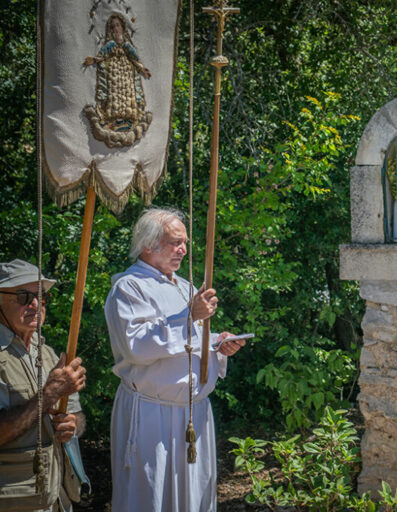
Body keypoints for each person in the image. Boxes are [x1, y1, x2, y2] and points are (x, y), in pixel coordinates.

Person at [105, 208, 245, 512]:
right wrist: (189, 317)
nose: (183, 250)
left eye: (185, 243)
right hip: (151, 414)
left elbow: (190, 340)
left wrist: (218, 345)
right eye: (175, 242)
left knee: (194, 498)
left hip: (194, 412)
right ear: (148, 244)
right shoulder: (129, 288)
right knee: (149, 496)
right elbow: (137, 347)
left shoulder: (186, 287)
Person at [0, 259, 87, 512]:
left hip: (56, 497)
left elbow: (77, 417)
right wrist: (49, 395)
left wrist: (72, 425)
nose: (35, 304)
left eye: (41, 296)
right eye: (24, 296)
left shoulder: (48, 353)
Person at [82, 13, 152, 147]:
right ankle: (115, 120)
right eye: (113, 26)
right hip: (113, 72)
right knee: (115, 96)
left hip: (126, 73)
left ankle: (128, 119)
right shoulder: (110, 45)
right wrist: (93, 60)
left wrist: (142, 69)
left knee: (127, 96)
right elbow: (101, 56)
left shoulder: (127, 46)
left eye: (118, 25)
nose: (116, 29)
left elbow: (135, 59)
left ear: (123, 27)